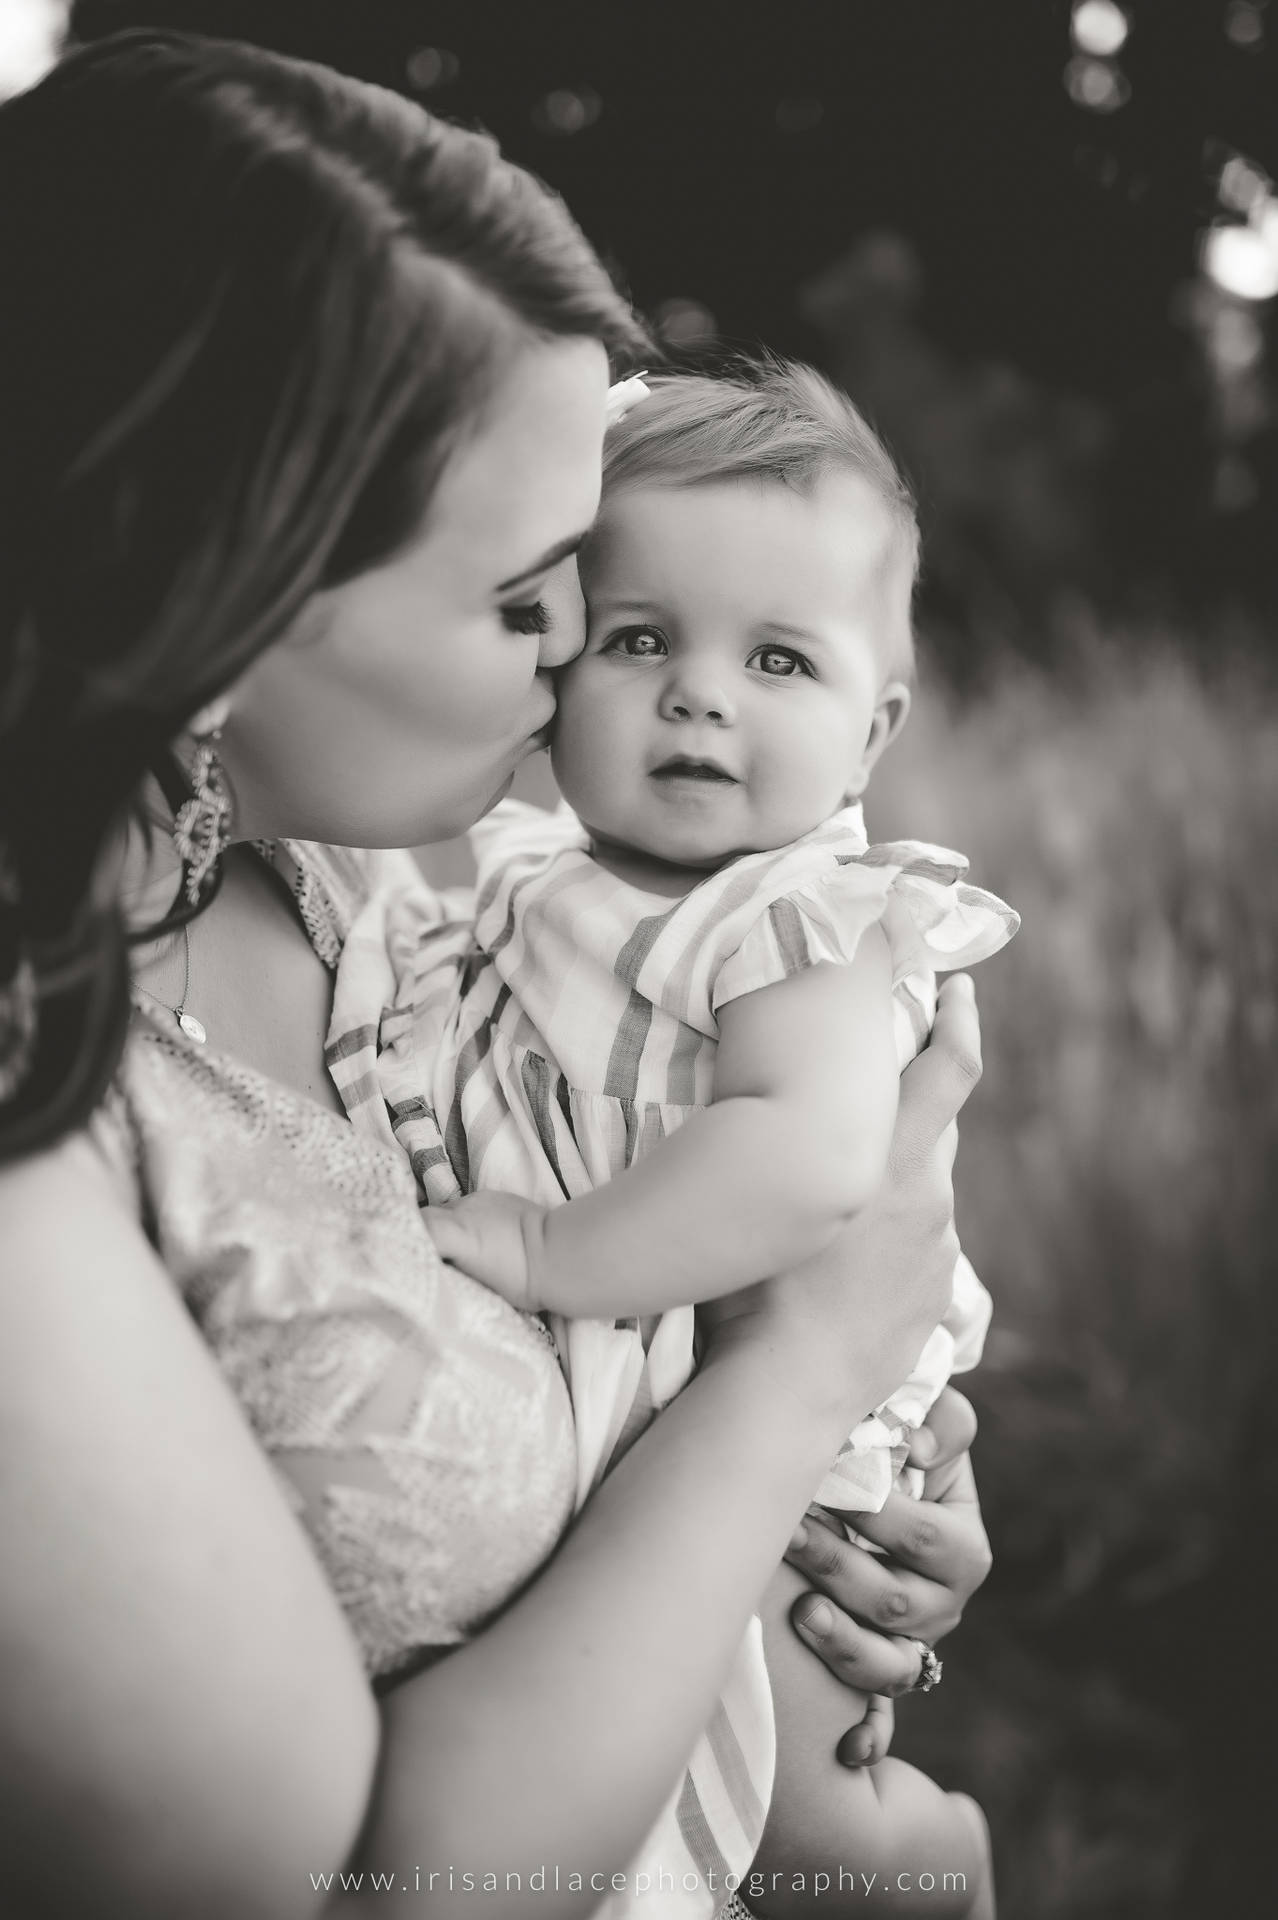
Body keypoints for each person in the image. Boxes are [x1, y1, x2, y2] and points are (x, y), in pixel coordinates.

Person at [0, 28, 992, 1920]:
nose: (583, 674)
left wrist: (841, 1516)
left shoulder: (404, 897)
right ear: (213, 601)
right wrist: (793, 1384)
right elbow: (358, 1898)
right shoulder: (44, 1123)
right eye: (537, 596)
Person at [331, 363, 1013, 1916]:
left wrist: (545, 1250)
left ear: (870, 727)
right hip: (648, 1374)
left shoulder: (803, 923)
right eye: (640, 640)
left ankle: (938, 1865)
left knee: (798, 1801)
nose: (701, 693)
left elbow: (807, 1157)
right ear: (564, 667)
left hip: (751, 1393)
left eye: (778, 658)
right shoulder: (534, 872)